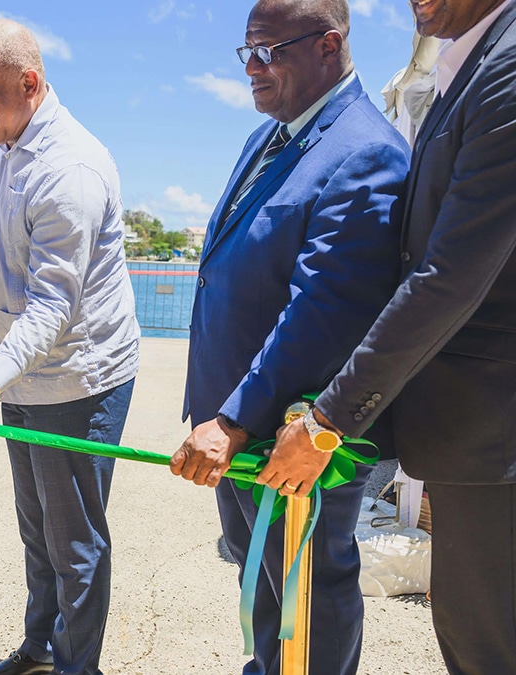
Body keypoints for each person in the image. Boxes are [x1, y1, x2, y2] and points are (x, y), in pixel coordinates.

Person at [267, 1, 516, 672]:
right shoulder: (469, 66)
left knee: (487, 648)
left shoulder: (507, 68)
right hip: (471, 436)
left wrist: (326, 421)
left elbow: (448, 278)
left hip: (494, 437)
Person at [167, 1, 410, 673]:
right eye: (245, 51)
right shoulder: (268, 138)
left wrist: (236, 418)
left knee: (310, 592)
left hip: (290, 436)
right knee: (266, 587)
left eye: (268, 50)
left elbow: (323, 311)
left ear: (329, 44)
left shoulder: (365, 151)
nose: (251, 66)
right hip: (234, 422)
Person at [0, 18, 141, 675]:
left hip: (79, 379)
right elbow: (2, 273)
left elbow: (53, 303)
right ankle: (41, 647)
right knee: (36, 527)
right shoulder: (4, 143)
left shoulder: (69, 169)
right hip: (22, 376)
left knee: (74, 540)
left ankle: (79, 667)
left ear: (30, 82)